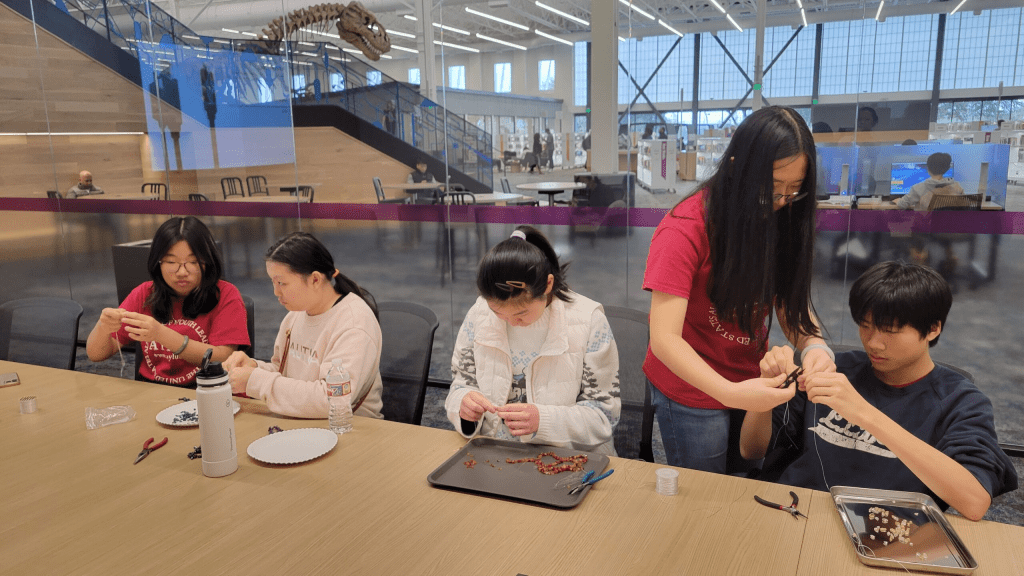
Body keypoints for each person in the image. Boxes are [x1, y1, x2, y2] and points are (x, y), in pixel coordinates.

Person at [740, 262, 1017, 520]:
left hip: (883, 530)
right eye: (865, 326)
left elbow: (974, 502)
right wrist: (766, 392)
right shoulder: (832, 369)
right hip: (793, 512)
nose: (874, 343)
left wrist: (864, 413)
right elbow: (751, 450)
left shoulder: (960, 401)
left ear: (933, 329)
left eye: (890, 331)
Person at [643, 105, 833, 474]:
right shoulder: (685, 227)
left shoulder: (782, 218)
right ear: (735, 167)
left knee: (749, 478)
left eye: (794, 189)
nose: (782, 201)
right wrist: (729, 392)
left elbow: (788, 301)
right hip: (691, 385)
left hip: (750, 375)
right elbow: (664, 339)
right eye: (772, 188)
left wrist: (815, 346)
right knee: (705, 489)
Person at [445, 226, 621, 454]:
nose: (511, 322)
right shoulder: (480, 313)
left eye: (521, 313)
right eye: (498, 312)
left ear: (548, 285)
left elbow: (604, 416)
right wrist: (464, 404)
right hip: (494, 453)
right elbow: (461, 384)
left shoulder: (589, 321)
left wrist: (544, 420)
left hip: (566, 456)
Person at [224, 232, 383, 419]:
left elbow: (332, 401)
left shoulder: (354, 324)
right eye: (273, 282)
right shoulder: (296, 315)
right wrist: (253, 368)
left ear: (315, 279)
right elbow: (282, 373)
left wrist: (255, 381)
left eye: (282, 283)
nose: (276, 292)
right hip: (300, 421)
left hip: (352, 426)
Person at [86, 217, 249, 386]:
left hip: (205, 391)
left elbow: (223, 358)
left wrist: (161, 334)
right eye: (171, 262)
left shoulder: (225, 295)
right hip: (153, 391)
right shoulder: (145, 293)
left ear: (208, 261)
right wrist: (103, 327)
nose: (182, 272)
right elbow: (95, 354)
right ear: (158, 262)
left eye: (193, 262)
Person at [895, 152, 963, 211]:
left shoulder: (918, 188)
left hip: (926, 222)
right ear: (947, 169)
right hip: (949, 222)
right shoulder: (957, 187)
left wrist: (898, 201)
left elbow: (903, 204)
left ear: (928, 168)